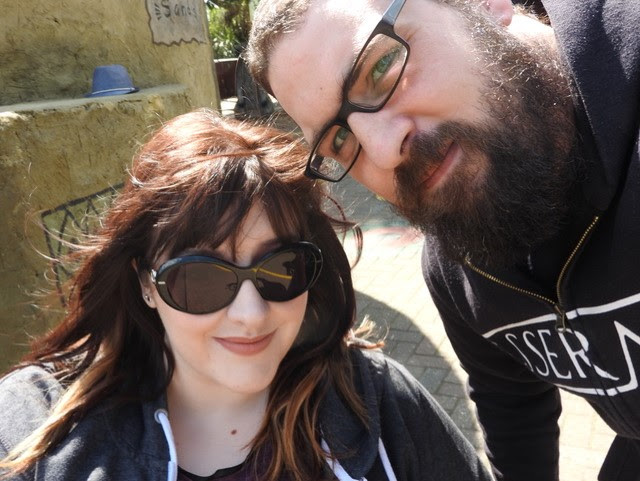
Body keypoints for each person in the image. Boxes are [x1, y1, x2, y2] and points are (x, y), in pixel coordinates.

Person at [245, 0, 640, 480]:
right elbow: (511, 405)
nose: (385, 151)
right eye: (340, 143)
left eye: (382, 66)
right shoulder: (458, 265)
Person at [0, 110, 492, 481]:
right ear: (146, 284)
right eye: (201, 280)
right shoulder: (40, 427)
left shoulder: (374, 399)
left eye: (281, 270)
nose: (252, 314)